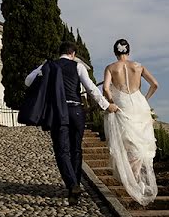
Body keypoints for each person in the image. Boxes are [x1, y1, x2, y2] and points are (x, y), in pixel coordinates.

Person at [24, 40, 119, 205]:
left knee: (62, 151)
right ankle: (74, 187)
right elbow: (91, 88)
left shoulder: (50, 65)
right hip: (76, 111)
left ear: (60, 52)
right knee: (76, 149)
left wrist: (43, 69)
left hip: (58, 113)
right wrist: (106, 105)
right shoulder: (78, 66)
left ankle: (72, 185)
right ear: (73, 54)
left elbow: (28, 81)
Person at [102, 38, 159, 206]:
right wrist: (145, 99)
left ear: (115, 52)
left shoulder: (111, 68)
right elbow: (155, 84)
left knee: (127, 141)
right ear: (129, 51)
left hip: (122, 105)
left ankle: (132, 180)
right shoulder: (138, 66)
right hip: (140, 105)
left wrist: (111, 101)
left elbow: (105, 88)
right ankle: (136, 180)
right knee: (141, 143)